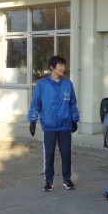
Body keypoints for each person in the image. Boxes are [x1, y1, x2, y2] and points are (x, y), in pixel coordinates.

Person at [28, 55, 80, 191]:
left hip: (65, 125)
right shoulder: (42, 85)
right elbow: (36, 104)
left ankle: (67, 179)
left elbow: (72, 104)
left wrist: (74, 120)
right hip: (49, 126)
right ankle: (48, 181)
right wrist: (32, 120)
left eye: (64, 65)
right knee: (49, 154)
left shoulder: (68, 84)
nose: (63, 68)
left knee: (66, 154)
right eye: (60, 65)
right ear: (52, 67)